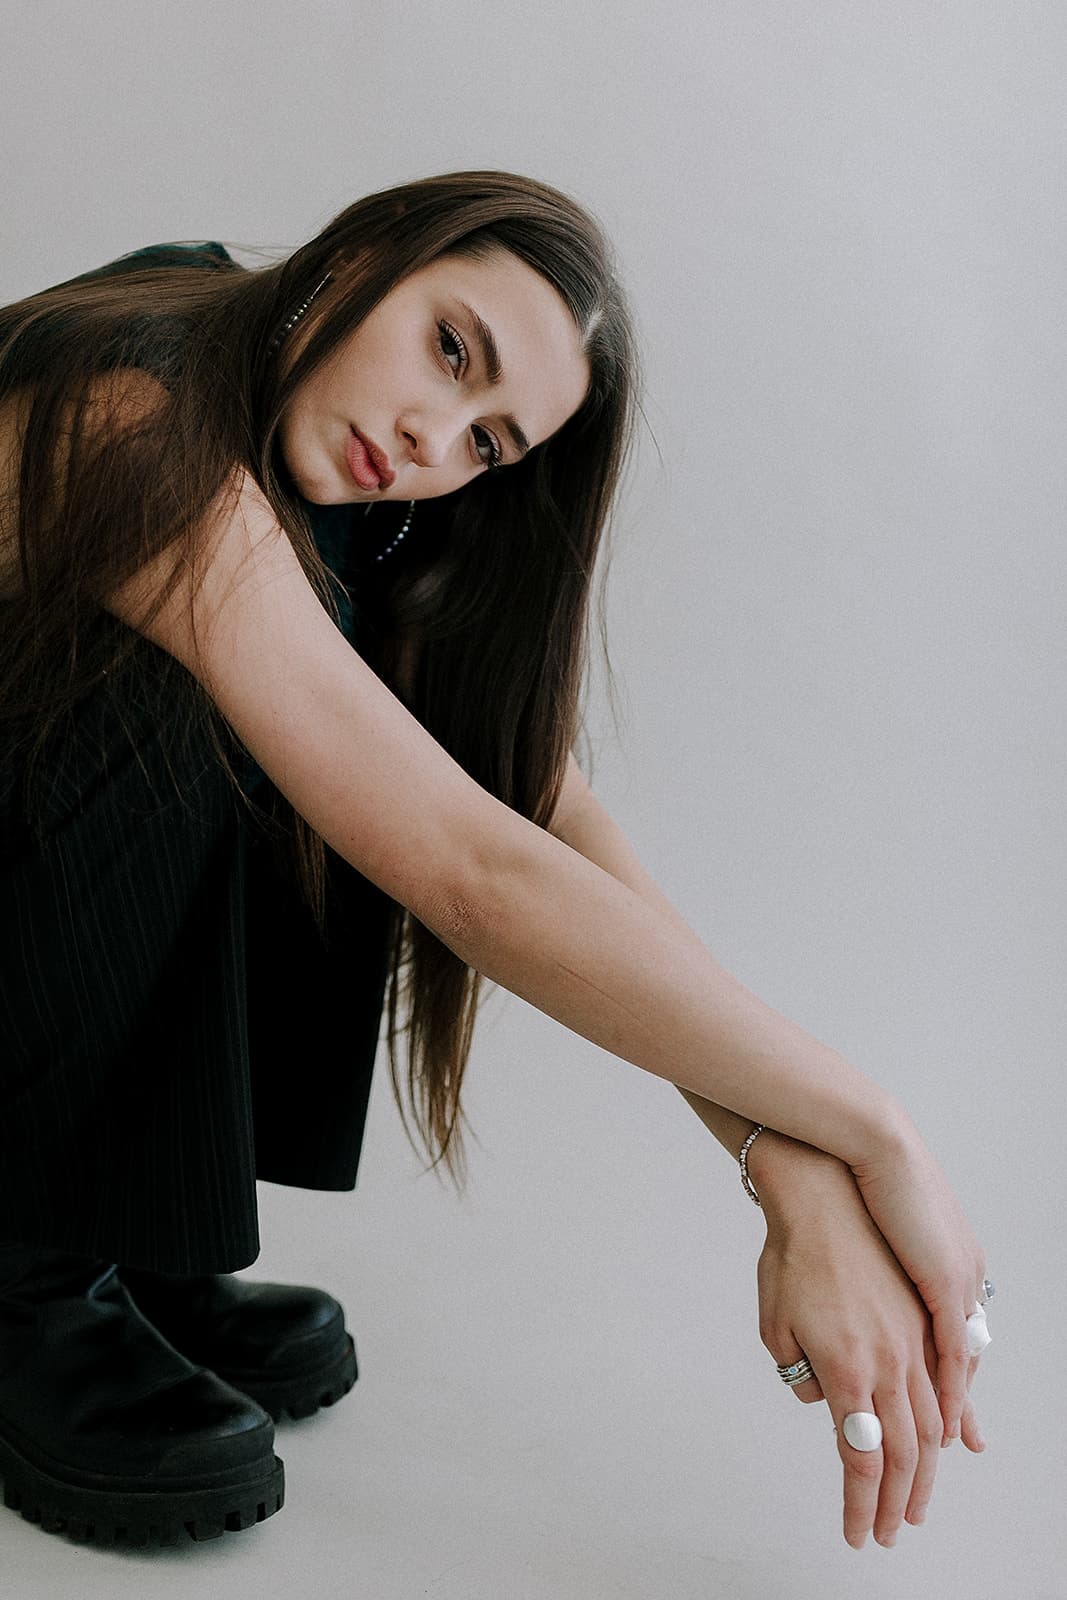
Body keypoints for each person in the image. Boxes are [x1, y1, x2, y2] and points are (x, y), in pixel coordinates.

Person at [0, 171, 989, 1554]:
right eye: (451, 350)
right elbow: (472, 873)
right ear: (365, 261)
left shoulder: (318, 445)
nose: (429, 437)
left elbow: (534, 817)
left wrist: (795, 1163)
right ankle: (27, 1274)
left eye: (487, 443)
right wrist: (875, 1129)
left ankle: (120, 1215)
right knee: (221, 711)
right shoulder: (134, 411)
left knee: (367, 723)